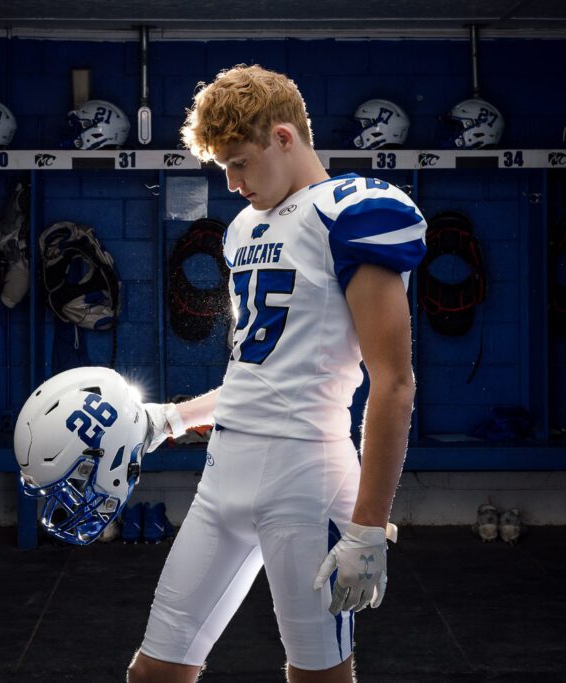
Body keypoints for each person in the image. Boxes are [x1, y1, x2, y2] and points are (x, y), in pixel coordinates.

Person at [129, 64, 426, 683]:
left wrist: (369, 526)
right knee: (155, 672)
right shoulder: (243, 229)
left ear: (284, 138)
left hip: (305, 479)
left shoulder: (352, 212)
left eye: (239, 163)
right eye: (224, 168)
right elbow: (259, 375)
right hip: (223, 475)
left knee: (315, 677)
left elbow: (394, 383)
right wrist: (172, 418)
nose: (232, 183)